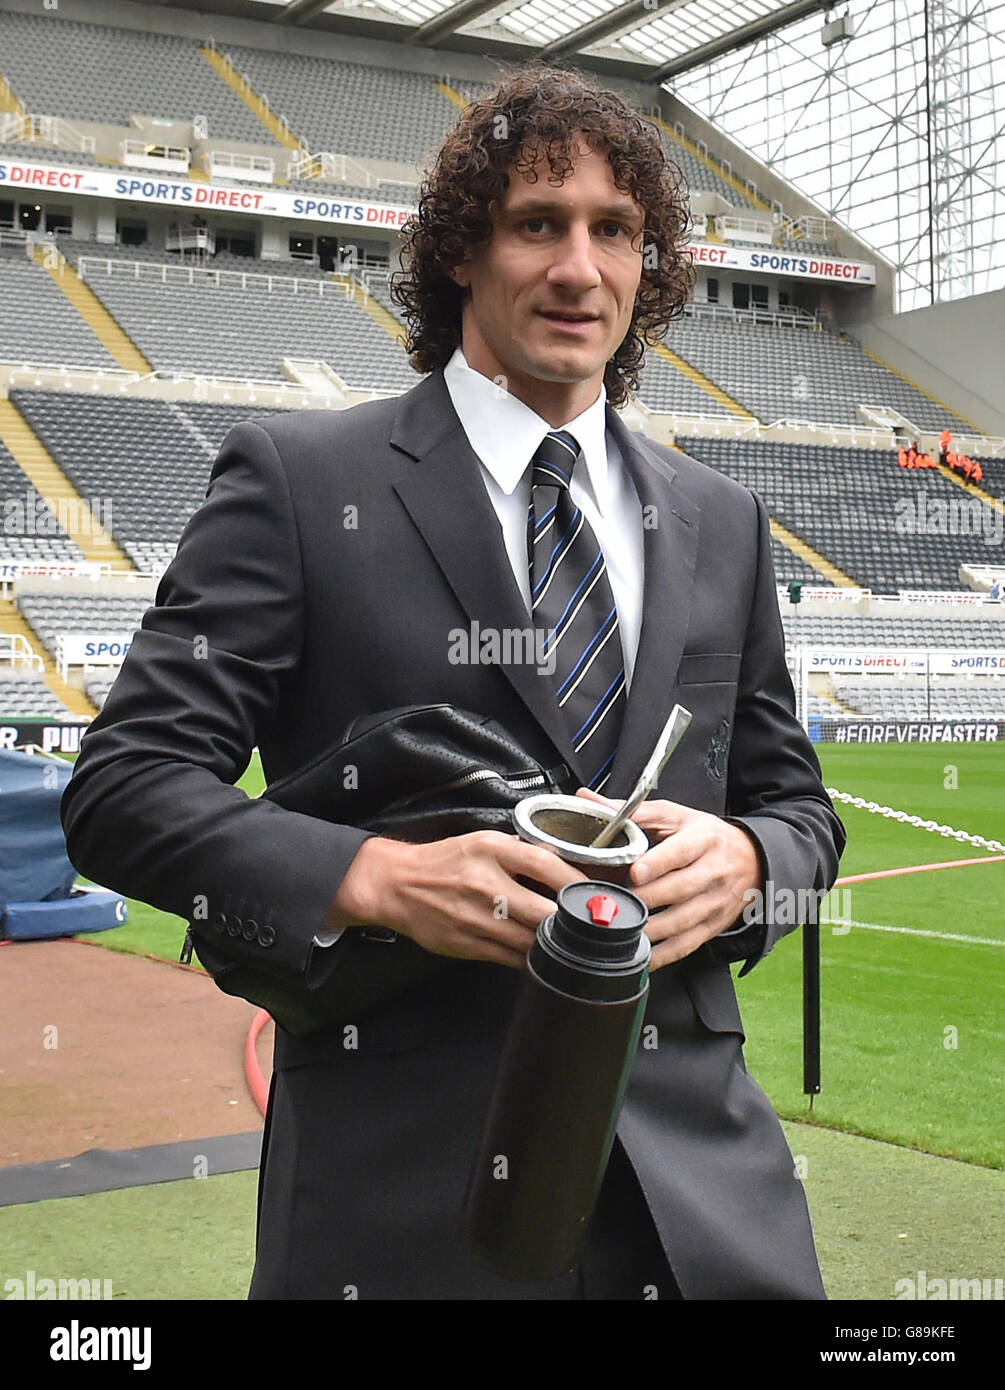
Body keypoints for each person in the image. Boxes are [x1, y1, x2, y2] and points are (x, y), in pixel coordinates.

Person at [60, 65, 844, 1300]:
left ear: (651, 266)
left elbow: (802, 812)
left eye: (616, 231)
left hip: (700, 1212)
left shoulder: (724, 521)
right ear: (463, 254)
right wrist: (376, 876)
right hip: (407, 1206)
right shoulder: (303, 482)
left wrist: (753, 862)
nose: (580, 268)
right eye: (540, 223)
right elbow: (123, 789)